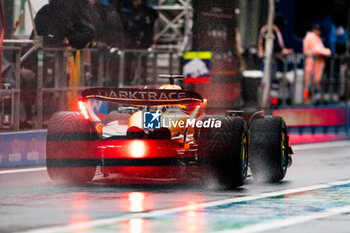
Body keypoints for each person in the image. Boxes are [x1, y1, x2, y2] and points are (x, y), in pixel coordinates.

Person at [122, 0, 158, 85]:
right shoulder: (126, 9)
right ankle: (128, 81)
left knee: (143, 63)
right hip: (130, 42)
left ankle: (143, 81)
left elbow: (151, 24)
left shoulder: (147, 10)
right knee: (129, 63)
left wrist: (149, 40)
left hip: (144, 42)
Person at [303, 23, 331, 103]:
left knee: (312, 83)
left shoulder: (311, 37)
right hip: (313, 63)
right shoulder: (312, 37)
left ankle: (311, 100)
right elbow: (317, 50)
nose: (320, 32)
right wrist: (328, 51)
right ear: (314, 30)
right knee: (310, 83)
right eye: (318, 30)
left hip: (314, 63)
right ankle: (307, 101)